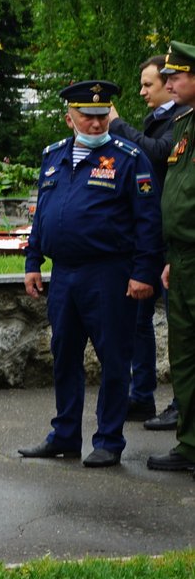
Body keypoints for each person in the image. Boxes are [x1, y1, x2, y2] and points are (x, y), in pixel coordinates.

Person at [18, 81, 161, 468]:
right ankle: (65, 434)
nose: (96, 124)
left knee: (114, 358)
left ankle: (109, 440)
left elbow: (148, 221)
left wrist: (143, 271)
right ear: (70, 119)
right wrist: (33, 261)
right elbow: (42, 215)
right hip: (65, 274)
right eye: (87, 117)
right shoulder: (53, 157)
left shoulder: (129, 158)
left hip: (109, 273)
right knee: (64, 355)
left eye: (101, 116)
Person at [111, 55, 191, 431]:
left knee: (180, 327)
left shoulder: (180, 119)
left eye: (150, 84)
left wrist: (117, 125)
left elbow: (156, 153)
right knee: (143, 321)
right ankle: (142, 394)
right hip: (152, 233)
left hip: (173, 241)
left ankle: (180, 403)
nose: (143, 91)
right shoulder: (162, 118)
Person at [150, 41, 195, 475]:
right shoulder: (183, 124)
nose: (169, 84)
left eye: (176, 76)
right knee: (183, 355)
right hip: (180, 258)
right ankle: (189, 442)